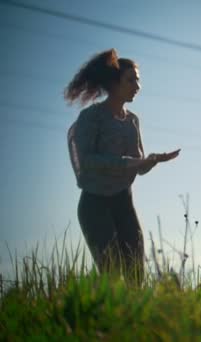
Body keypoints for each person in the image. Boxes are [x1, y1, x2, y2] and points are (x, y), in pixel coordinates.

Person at [65, 49, 180, 284]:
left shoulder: (132, 121)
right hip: (95, 205)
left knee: (136, 273)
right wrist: (135, 162)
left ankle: (135, 320)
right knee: (112, 276)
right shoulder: (92, 117)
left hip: (123, 203)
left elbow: (138, 166)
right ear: (114, 83)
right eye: (131, 79)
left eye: (138, 80)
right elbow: (87, 162)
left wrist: (153, 160)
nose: (137, 85)